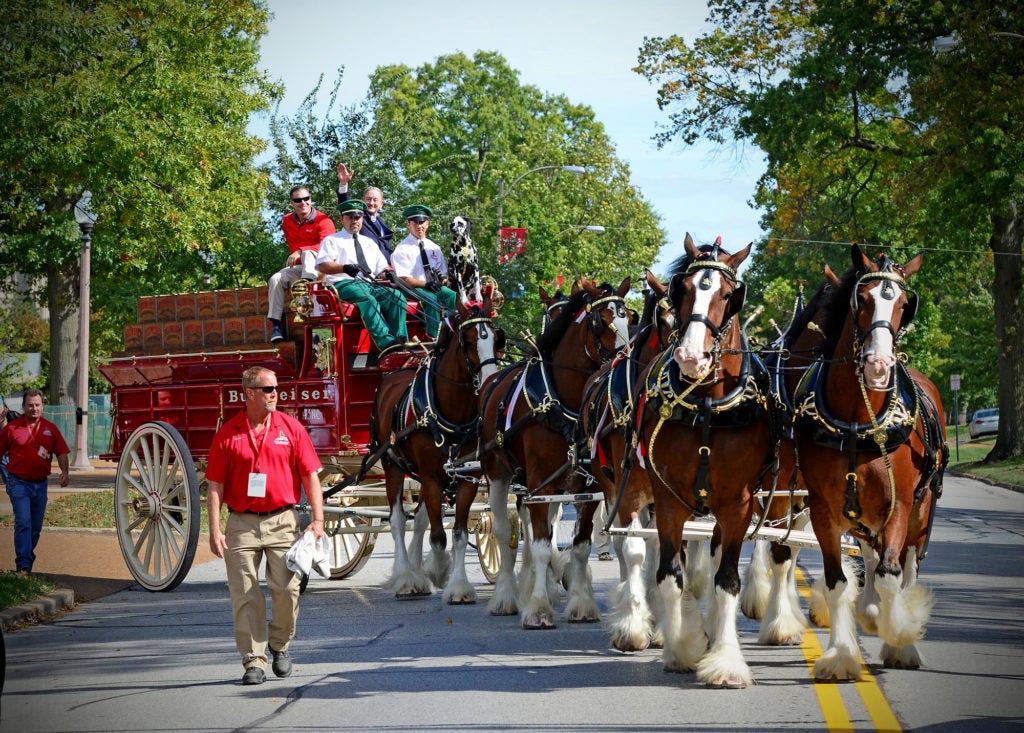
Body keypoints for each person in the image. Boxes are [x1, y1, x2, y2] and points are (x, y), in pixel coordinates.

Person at [206, 366, 325, 686]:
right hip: (241, 524)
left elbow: (310, 475)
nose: (275, 394)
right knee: (244, 593)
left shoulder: (291, 428)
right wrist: (215, 529)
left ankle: (279, 645)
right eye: (267, 389)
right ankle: (253, 660)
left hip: (282, 520)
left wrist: (317, 519)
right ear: (248, 394)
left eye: (276, 388)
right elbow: (215, 485)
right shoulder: (228, 433)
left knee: (287, 589)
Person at [316, 199, 408, 351]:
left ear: (362, 218)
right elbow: (323, 265)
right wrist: (344, 268)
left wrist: (389, 274)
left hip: (368, 284)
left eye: (358, 217)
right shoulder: (332, 240)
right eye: (350, 217)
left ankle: (400, 341)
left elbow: (381, 269)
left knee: (396, 296)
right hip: (343, 284)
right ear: (341, 219)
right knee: (367, 298)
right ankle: (387, 344)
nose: (354, 220)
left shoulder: (369, 242)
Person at [0, 390, 70, 575]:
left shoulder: (50, 428)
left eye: (37, 405)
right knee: (23, 522)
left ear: (42, 406)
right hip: (18, 483)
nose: (34, 408)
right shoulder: (12, 428)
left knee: (35, 527)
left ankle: (26, 561)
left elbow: (61, 451)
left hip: (40, 485)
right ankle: (23, 566)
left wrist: (65, 472)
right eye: (30, 405)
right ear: (23, 407)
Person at [267, 185, 337, 343]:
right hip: (303, 268)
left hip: (324, 270)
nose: (303, 202)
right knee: (275, 279)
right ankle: (276, 325)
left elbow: (328, 248)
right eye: (298, 200)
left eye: (306, 199)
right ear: (292, 203)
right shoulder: (287, 221)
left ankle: (306, 299)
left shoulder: (324, 220)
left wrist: (300, 250)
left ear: (311, 200)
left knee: (307, 254)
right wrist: (300, 253)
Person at [391, 204, 457, 339]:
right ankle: (432, 337)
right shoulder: (402, 249)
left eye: (422, 222)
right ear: (408, 224)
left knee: (451, 295)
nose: (419, 225)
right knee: (431, 299)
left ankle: (453, 332)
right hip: (409, 287)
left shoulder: (435, 248)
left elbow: (442, 274)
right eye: (415, 222)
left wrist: (442, 280)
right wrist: (426, 284)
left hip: (431, 286)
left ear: (427, 224)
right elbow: (403, 279)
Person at [337, 163, 394, 262]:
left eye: (375, 200)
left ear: (381, 204)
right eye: (368, 199)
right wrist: (343, 184)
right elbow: (346, 205)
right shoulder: (358, 217)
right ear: (363, 200)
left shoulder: (382, 225)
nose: (371, 203)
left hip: (385, 268)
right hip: (364, 266)